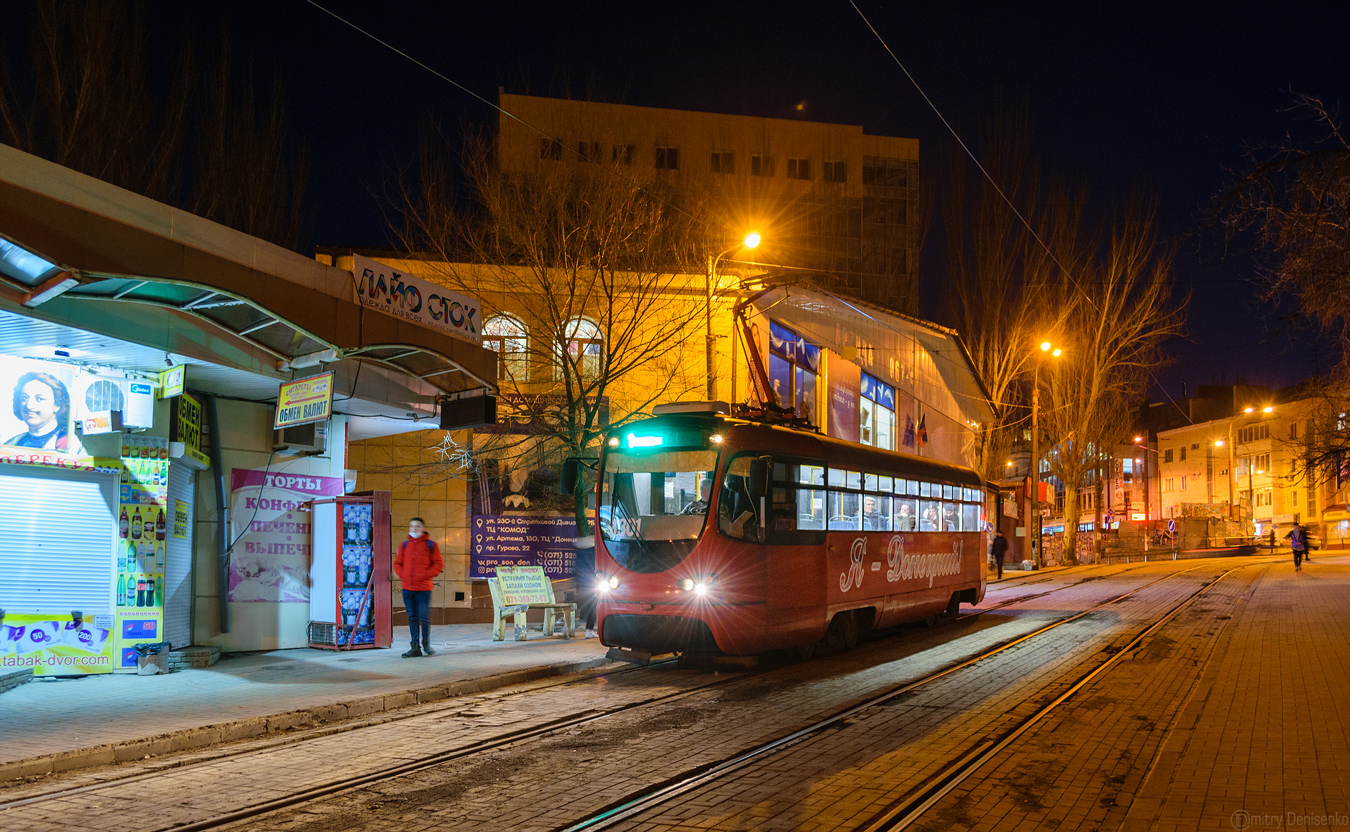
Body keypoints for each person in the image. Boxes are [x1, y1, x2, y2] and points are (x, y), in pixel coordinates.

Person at [394, 517, 443, 656]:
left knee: (424, 616)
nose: (414, 528)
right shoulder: (404, 545)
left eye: (417, 526)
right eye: (411, 526)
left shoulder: (431, 545)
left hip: (424, 588)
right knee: (412, 617)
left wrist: (425, 574)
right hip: (407, 588)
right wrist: (403, 574)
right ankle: (415, 646)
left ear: (422, 528)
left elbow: (438, 564)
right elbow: (397, 563)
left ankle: (426, 644)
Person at [7, 371, 72, 451]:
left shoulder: (67, 443)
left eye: (40, 399)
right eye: (24, 398)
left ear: (57, 405)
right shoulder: (13, 443)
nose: (29, 406)